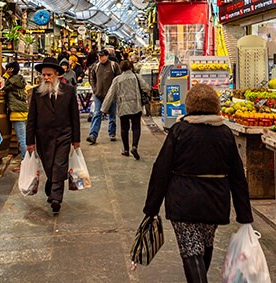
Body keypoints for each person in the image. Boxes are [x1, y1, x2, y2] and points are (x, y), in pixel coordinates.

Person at [142, 84, 253, 282]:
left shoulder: (179, 131)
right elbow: (238, 175)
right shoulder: (225, 133)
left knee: (191, 249)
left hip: (183, 201)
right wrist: (244, 213)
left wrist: (152, 208)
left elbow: (161, 170)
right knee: (204, 244)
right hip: (215, 201)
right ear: (216, 106)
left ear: (188, 106)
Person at [26, 57, 81, 214]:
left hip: (64, 134)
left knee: (59, 164)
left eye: (49, 75)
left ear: (57, 74)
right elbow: (31, 118)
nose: (46, 78)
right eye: (44, 75)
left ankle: (56, 198)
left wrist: (76, 139)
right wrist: (30, 141)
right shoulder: (37, 93)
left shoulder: (69, 91)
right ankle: (51, 186)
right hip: (43, 137)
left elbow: (74, 116)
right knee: (49, 166)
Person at [101, 60, 149, 160]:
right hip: (136, 105)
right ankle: (134, 146)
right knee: (136, 127)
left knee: (124, 128)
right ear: (131, 67)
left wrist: (104, 109)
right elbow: (146, 87)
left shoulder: (117, 79)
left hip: (123, 107)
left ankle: (126, 150)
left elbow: (110, 95)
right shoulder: (136, 77)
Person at [87, 50, 121, 144]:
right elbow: (92, 78)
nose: (100, 58)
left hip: (111, 96)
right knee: (97, 114)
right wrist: (94, 89)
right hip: (98, 95)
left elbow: (119, 78)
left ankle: (112, 133)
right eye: (99, 56)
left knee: (112, 114)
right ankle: (93, 135)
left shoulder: (114, 66)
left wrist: (115, 91)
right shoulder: (96, 66)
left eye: (102, 56)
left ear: (107, 56)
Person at [4, 62, 28, 159]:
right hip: (21, 111)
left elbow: (3, 87)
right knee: (22, 138)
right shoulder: (19, 79)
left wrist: (5, 75)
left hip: (17, 113)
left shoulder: (12, 81)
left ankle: (26, 160)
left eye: (8, 69)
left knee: (22, 139)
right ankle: (26, 159)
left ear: (11, 70)